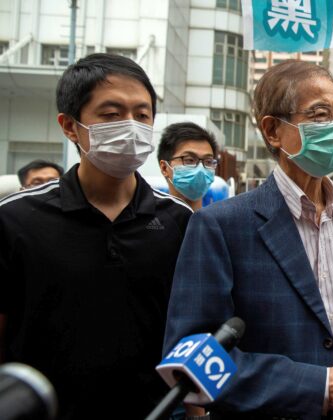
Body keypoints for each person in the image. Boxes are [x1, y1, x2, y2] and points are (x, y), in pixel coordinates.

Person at [163, 61, 333, 419]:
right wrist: (318, 386)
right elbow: (194, 355)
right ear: (272, 131)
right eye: (319, 114)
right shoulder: (220, 226)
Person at [0, 53, 192, 419]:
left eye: (142, 114)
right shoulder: (16, 219)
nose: (131, 126)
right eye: (111, 114)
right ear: (70, 126)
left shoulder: (180, 221)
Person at [158, 122, 219, 211]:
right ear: (164, 168)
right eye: (189, 160)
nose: (200, 169)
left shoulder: (221, 222)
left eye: (208, 162)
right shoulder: (150, 222)